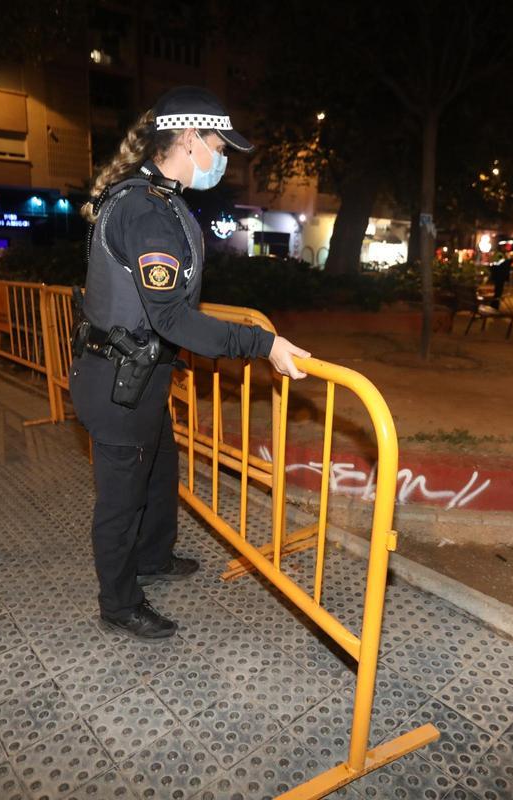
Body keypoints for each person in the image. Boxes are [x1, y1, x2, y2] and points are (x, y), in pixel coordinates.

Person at [71, 86, 311, 641]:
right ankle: (119, 602)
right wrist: (263, 344)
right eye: (218, 144)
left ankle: (154, 558)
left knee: (158, 475)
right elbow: (173, 319)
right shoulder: (143, 210)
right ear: (187, 139)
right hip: (116, 385)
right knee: (121, 501)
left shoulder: (162, 199)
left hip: (140, 378)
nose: (222, 157)